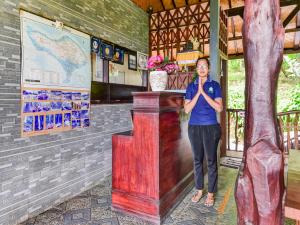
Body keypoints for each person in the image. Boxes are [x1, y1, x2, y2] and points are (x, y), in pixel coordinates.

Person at [184, 57, 223, 207]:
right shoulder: (191, 87)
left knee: (212, 161)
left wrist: (204, 93)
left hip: (211, 127)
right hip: (194, 127)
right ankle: (200, 190)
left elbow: (219, 108)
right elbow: (187, 109)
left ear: (209, 68)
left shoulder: (215, 85)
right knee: (197, 160)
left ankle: (211, 193)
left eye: (204, 66)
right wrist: (198, 93)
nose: (201, 68)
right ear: (196, 69)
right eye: (199, 66)